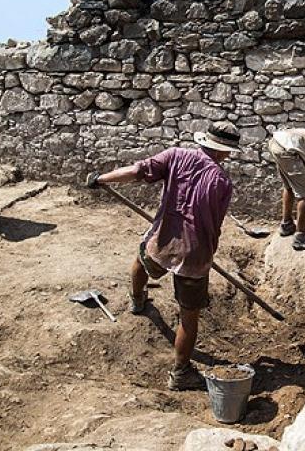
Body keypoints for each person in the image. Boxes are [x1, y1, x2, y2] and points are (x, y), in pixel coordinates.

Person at [85, 121, 240, 391]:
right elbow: (214, 224)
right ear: (224, 152)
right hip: (195, 254)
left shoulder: (176, 155)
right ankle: (180, 373)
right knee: (188, 318)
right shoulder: (222, 182)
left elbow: (137, 171)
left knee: (141, 260)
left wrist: (101, 179)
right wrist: (207, 252)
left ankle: (137, 300)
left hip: (163, 238)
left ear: (204, 141)